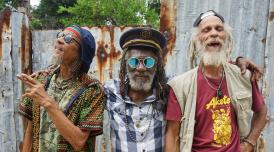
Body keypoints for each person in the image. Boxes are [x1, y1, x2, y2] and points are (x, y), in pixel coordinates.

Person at [165, 10, 267, 152]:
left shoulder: (243, 76)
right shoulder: (180, 86)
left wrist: (250, 143)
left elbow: (261, 111)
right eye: (206, 30)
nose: (214, 33)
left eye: (219, 29)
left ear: (226, 37)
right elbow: (172, 135)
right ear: (196, 39)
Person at [17, 25, 105, 152]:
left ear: (82, 52)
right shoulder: (41, 80)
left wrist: (48, 102)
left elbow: (79, 142)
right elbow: (31, 130)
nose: (59, 40)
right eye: (60, 35)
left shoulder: (92, 90)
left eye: (69, 38)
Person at [103, 27, 169, 151]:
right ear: (125, 64)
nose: (141, 68)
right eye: (134, 62)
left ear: (157, 65)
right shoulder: (110, 90)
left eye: (148, 62)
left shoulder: (168, 90)